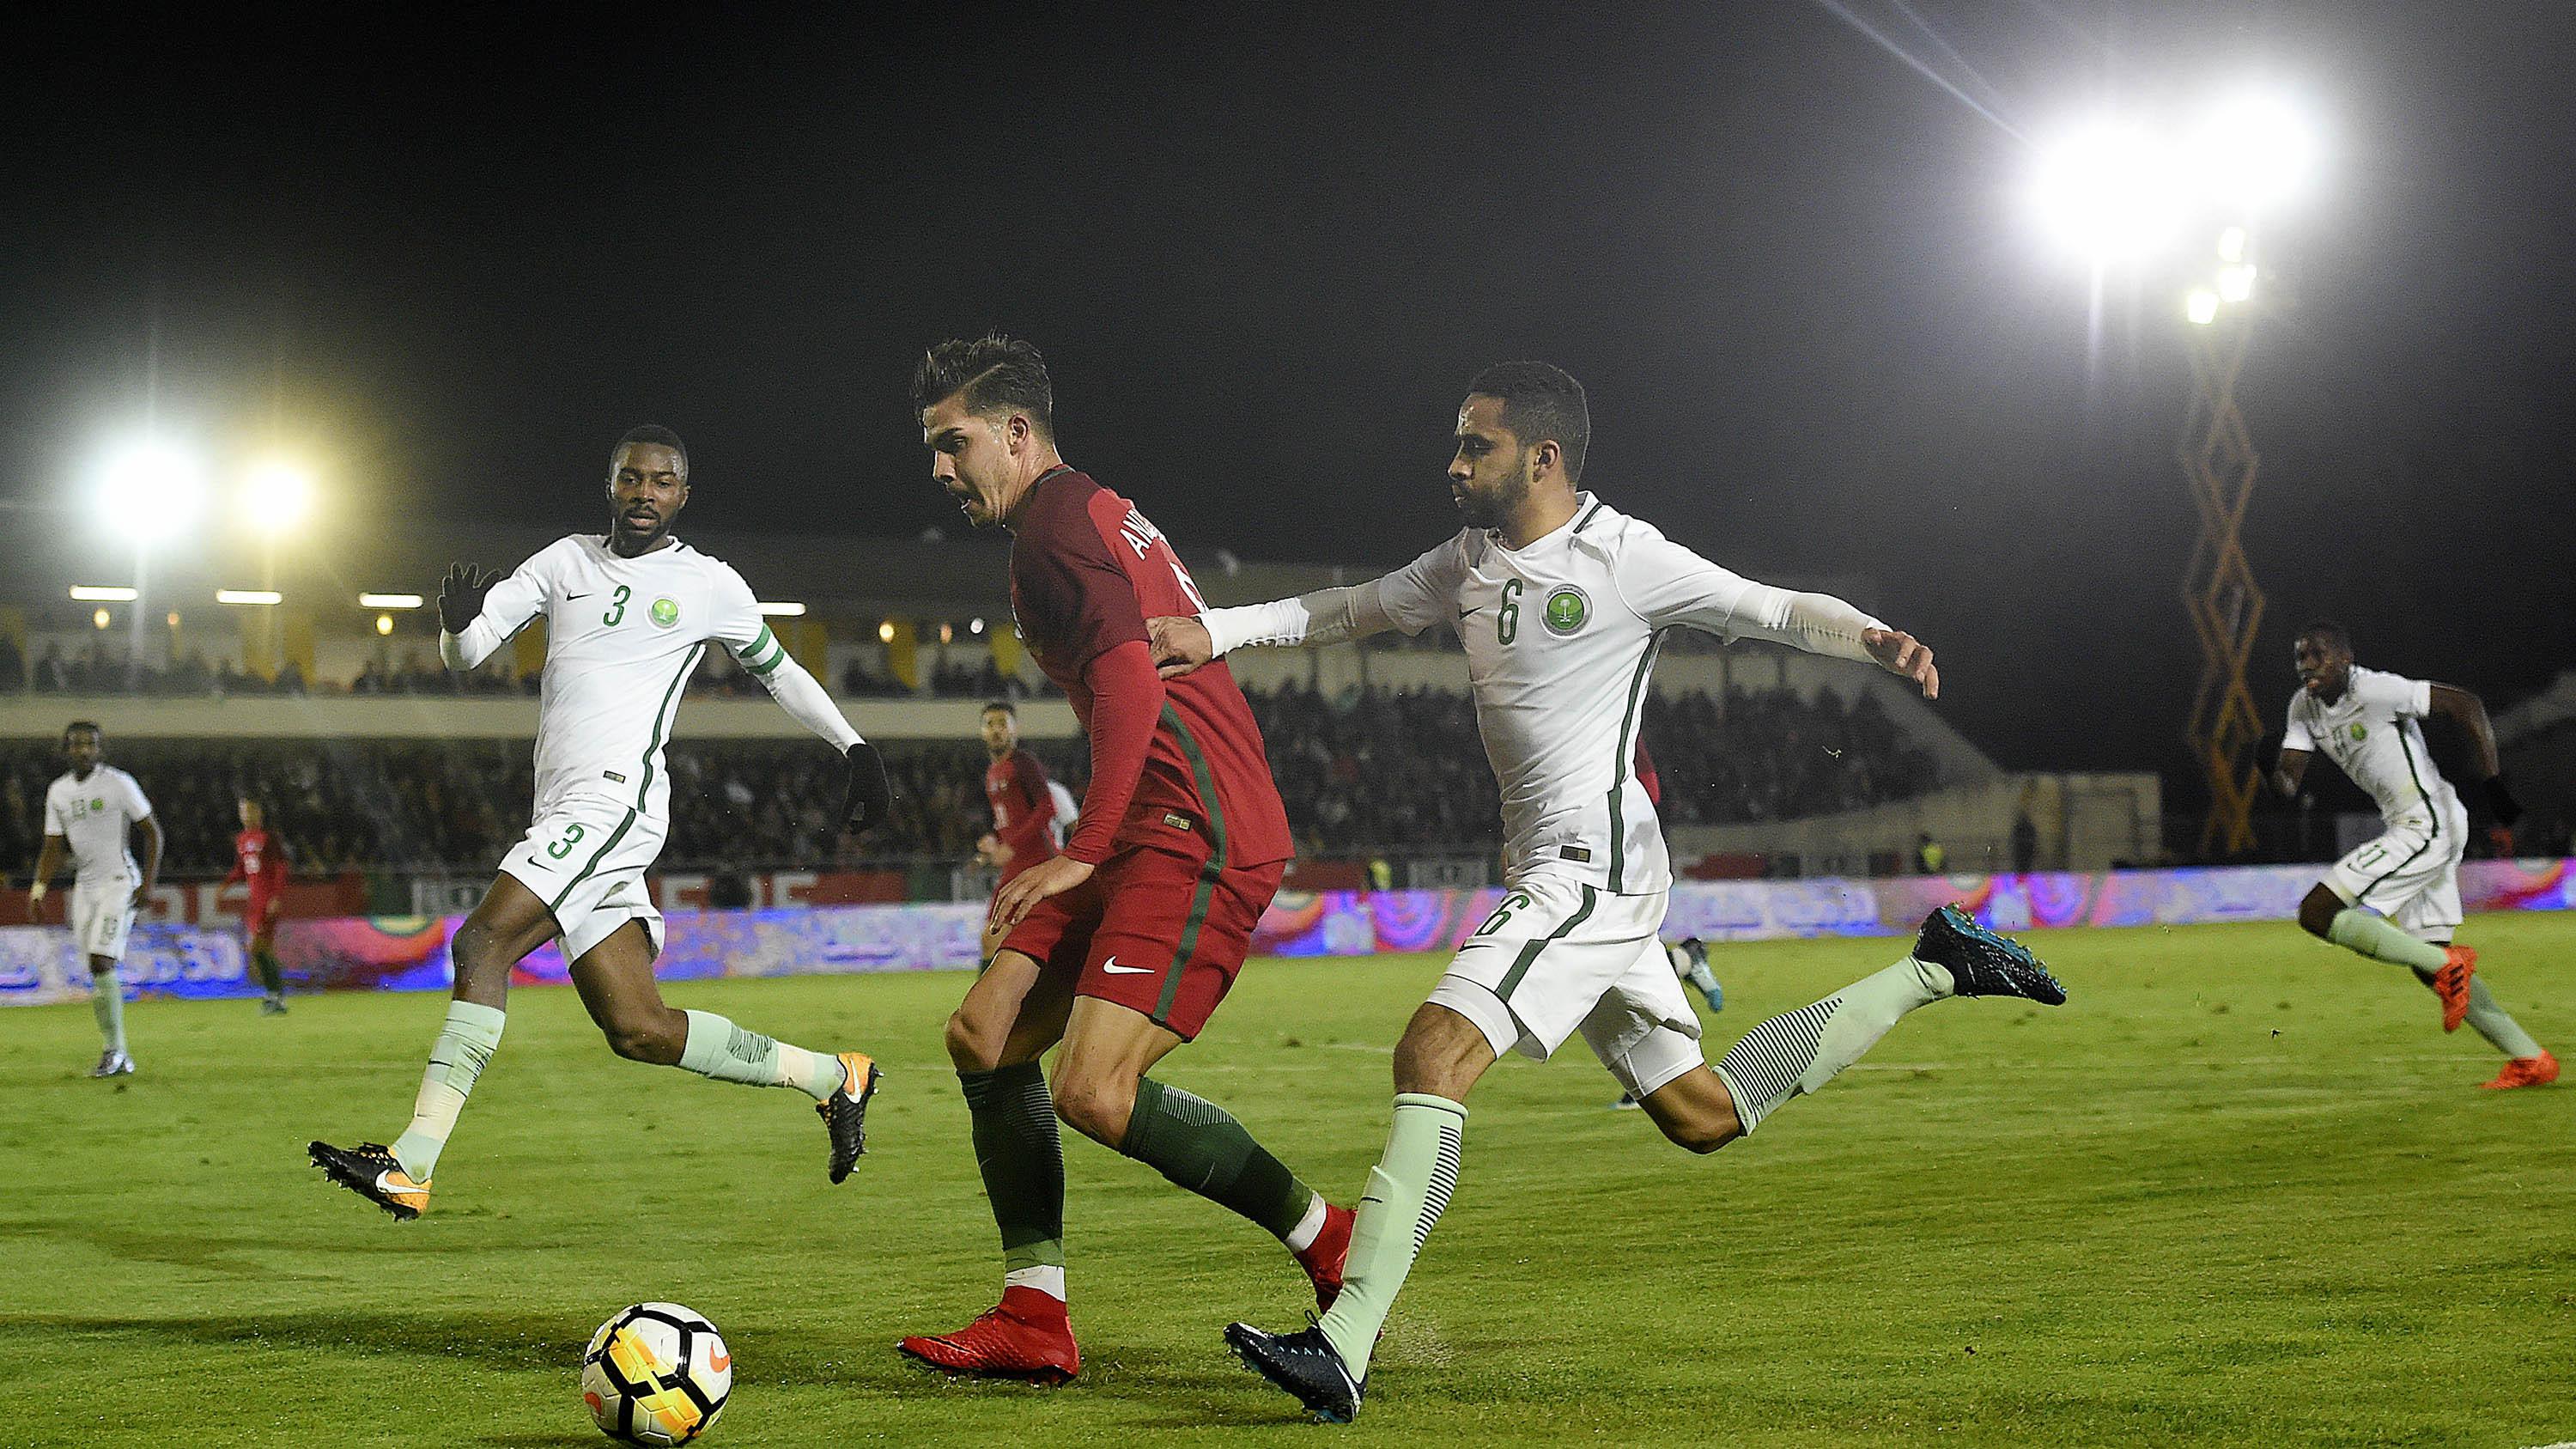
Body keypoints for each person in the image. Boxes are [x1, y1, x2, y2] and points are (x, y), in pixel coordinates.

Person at [1151, 361, 2064, 1422]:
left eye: (1473, 446)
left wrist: (1870, 636)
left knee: (1432, 1051)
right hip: (1567, 869)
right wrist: (1214, 631)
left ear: (1541, 458)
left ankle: (1344, 1343)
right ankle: (1936, 965)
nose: (1452, 464)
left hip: (1590, 866)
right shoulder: (1469, 560)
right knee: (1702, 1112)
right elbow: (1348, 609)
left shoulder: (1627, 557)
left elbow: (1765, 606)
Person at [898, 336, 1346, 1385]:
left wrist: (1079, 850)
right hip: (1151, 818)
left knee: (1095, 1090)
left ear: (1017, 433)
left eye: (953, 443)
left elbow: (1136, 681)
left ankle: (1330, 1236)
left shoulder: (1052, 531)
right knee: (985, 1033)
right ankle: (1033, 1315)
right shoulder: (1093, 508)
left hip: (1197, 824)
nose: (938, 469)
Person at [307, 424, 897, 1221]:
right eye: (630, 479)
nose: (644, 493)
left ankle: (412, 1161)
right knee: (639, 1027)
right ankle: (834, 1077)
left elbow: (778, 670)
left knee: (481, 942)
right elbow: (470, 651)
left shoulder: (710, 583)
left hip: (612, 803)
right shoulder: (564, 561)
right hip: (565, 808)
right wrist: (453, 624)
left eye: (661, 482)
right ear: (610, 485)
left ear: (683, 494)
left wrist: (853, 746)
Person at [2271, 622, 2554, 1090]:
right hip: (2413, 823)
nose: (2306, 666)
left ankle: (2450, 966)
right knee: (2431, 963)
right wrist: (2272, 768)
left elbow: (2467, 705)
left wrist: (2493, 784)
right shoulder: (2303, 707)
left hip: (2428, 821)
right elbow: (2288, 782)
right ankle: (2529, 1058)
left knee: (2317, 912)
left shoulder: (2378, 690)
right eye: (2300, 657)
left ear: (2344, 656)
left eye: (2317, 655)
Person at [24, 721, 161, 1076]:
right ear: (66, 749)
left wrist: (147, 883)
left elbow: (153, 833)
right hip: (85, 888)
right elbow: (52, 846)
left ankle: (115, 1052)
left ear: (100, 749)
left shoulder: (118, 783)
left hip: (119, 881)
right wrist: (39, 888)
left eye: (91, 744)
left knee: (102, 961)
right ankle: (117, 1053)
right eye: (77, 744)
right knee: (95, 969)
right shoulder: (58, 792)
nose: (84, 750)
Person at [973, 699, 1069, 886]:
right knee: (996, 915)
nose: (996, 730)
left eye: (1003, 724)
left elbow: (1047, 808)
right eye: (990, 724)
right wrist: (993, 839)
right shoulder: (991, 772)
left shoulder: (1024, 763)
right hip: (1016, 864)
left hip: (1039, 861)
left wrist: (1010, 846)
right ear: (982, 732)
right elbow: (1005, 820)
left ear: (1014, 729)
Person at [226, 796, 291, 1014]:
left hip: (267, 901)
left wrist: (276, 897)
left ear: (259, 812)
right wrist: (225, 885)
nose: (246, 815)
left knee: (257, 947)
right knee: (259, 949)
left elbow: (281, 868)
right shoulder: (242, 839)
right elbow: (241, 869)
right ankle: (275, 997)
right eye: (243, 811)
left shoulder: (269, 838)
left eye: (250, 810)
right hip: (255, 903)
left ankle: (277, 997)